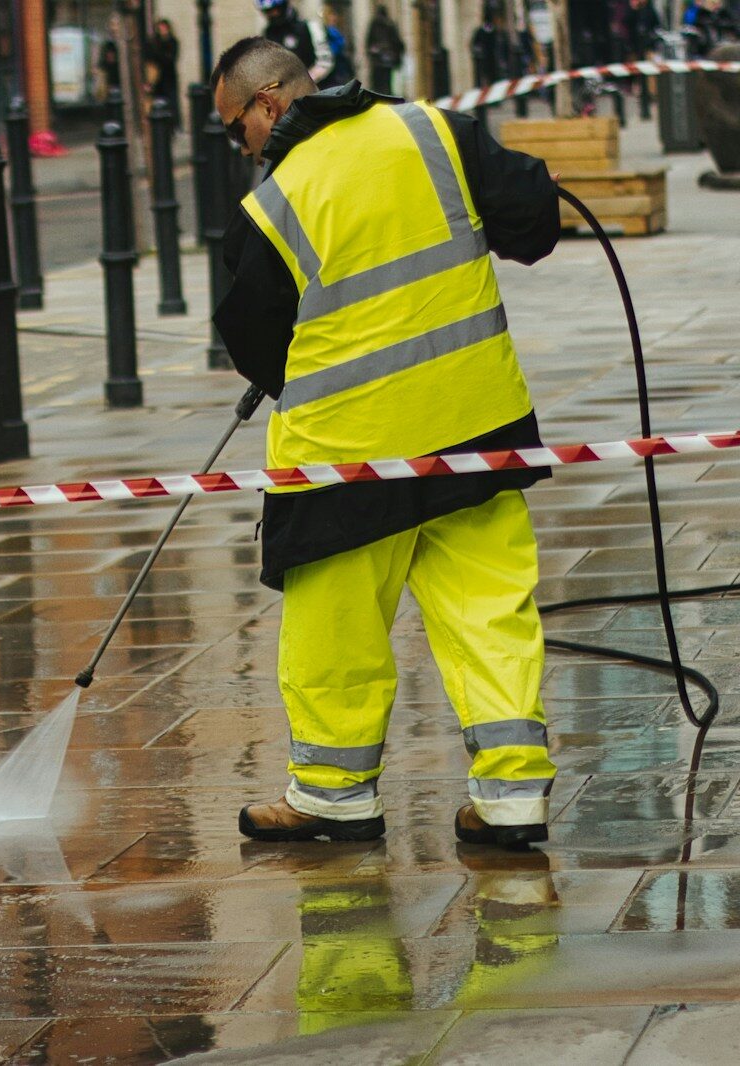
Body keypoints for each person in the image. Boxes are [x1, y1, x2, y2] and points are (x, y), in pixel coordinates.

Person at [208, 38, 561, 848]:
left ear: (269, 103)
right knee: (488, 612)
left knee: (334, 628)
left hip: (345, 455)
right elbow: (533, 220)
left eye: (237, 130)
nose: (243, 148)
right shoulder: (438, 132)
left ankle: (333, 795)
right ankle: (511, 798)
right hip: (473, 424)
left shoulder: (273, 205)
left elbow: (254, 340)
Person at [258, 0, 334, 84]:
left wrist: (304, 82)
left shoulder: (310, 27)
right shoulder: (267, 34)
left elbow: (325, 62)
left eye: (276, 10)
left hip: (318, 88)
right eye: (268, 11)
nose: (273, 14)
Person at [146, 18, 182, 121]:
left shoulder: (172, 42)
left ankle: (174, 123)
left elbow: (170, 59)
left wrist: (160, 55)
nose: (162, 30)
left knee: (172, 102)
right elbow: (150, 58)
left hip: (169, 77)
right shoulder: (154, 42)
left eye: (164, 27)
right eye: (160, 28)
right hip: (157, 78)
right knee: (158, 102)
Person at [365, 4, 405, 94]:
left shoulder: (374, 24)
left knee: (377, 84)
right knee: (387, 83)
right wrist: (397, 58)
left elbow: (368, 42)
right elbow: (397, 43)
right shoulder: (390, 24)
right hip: (388, 60)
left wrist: (371, 53)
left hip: (377, 60)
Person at [320, 3, 356, 88]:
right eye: (331, 15)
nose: (334, 18)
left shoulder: (335, 31)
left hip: (340, 70)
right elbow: (333, 50)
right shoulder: (326, 32)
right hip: (333, 71)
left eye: (334, 15)